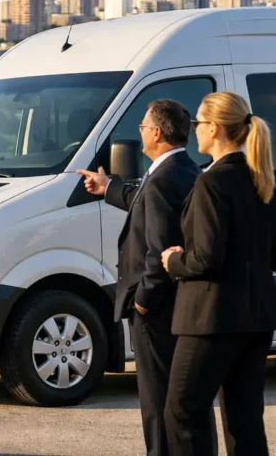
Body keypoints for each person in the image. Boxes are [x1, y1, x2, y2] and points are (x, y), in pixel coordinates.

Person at [160, 92, 276, 456]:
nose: (194, 130)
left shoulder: (211, 182)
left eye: (198, 123)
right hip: (257, 317)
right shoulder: (263, 180)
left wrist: (173, 261)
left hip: (211, 318)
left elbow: (206, 259)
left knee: (182, 411)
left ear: (214, 128)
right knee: (245, 420)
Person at [77, 99, 201, 456]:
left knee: (157, 397)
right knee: (178, 396)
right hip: (178, 304)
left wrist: (144, 300)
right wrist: (108, 187)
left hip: (156, 310)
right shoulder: (184, 169)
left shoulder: (163, 178)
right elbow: (145, 203)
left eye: (143, 127)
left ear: (157, 133)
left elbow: (158, 249)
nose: (141, 132)